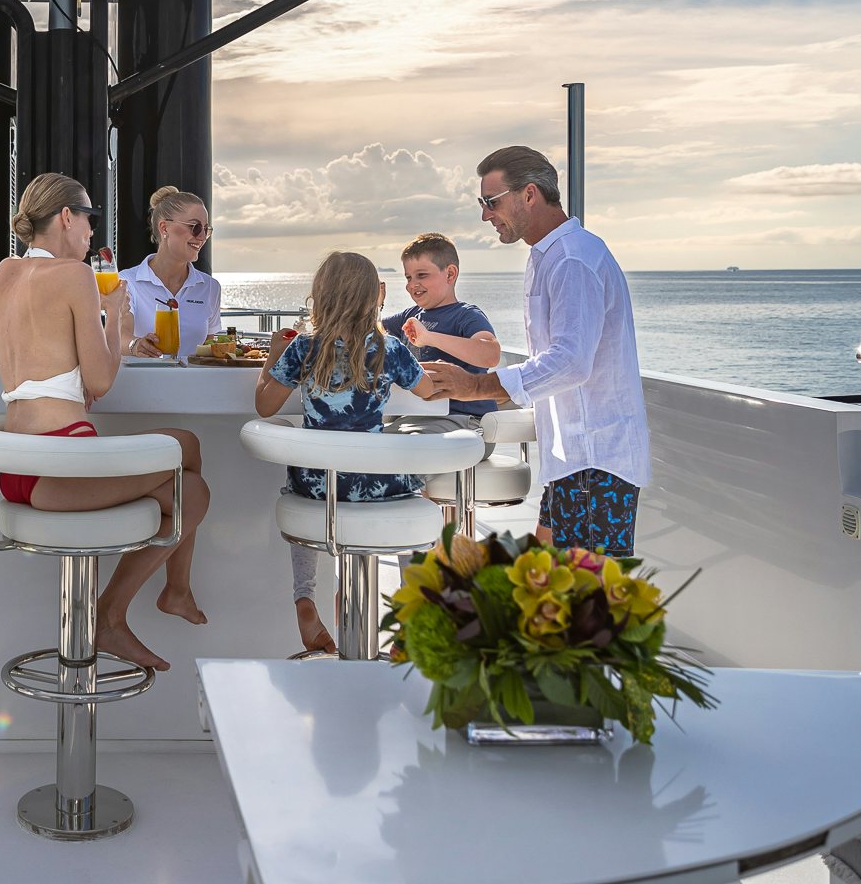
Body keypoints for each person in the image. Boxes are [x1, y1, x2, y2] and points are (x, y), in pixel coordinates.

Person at [0, 172, 213, 672]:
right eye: (89, 219)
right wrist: (120, 322)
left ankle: (170, 593)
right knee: (192, 476)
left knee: (187, 470)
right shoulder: (75, 277)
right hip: (62, 459)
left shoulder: (4, 272)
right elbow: (101, 381)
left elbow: (65, 378)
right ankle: (116, 613)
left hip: (14, 465)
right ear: (66, 217)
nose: (93, 232)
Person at [415, 146, 649, 557]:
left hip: (596, 461)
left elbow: (571, 362)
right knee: (551, 598)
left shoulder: (572, 259)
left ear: (528, 195)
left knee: (588, 609)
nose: (486, 215)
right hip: (572, 458)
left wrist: (475, 386)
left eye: (491, 202)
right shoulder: (550, 256)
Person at [254, 251, 427, 655]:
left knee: (300, 487)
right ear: (373, 298)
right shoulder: (390, 349)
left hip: (318, 488)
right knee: (413, 491)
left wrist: (271, 358)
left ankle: (305, 597)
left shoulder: (303, 350)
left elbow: (264, 405)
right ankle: (411, 610)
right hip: (375, 488)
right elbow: (428, 390)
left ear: (321, 295)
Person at [382, 233, 501, 452]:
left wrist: (429, 337)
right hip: (416, 421)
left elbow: (490, 353)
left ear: (450, 274)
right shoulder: (411, 314)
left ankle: (418, 486)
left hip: (465, 423)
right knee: (368, 443)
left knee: (398, 449)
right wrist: (374, 305)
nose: (412, 285)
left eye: (422, 275)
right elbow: (372, 333)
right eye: (408, 277)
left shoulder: (466, 315)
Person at [122, 186, 223, 358]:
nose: (201, 237)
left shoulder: (210, 287)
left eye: (206, 230)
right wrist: (136, 345)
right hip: (144, 383)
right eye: (195, 227)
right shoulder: (127, 281)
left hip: (195, 384)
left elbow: (208, 349)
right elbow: (119, 335)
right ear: (164, 228)